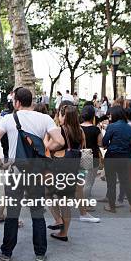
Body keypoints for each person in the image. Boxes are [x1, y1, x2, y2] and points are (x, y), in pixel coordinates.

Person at [0, 87, 64, 261]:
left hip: (15, 170)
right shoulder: (45, 118)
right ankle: (40, 252)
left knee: (13, 212)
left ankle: (7, 251)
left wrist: (1, 164)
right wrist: (44, 151)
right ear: (32, 101)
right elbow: (60, 141)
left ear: (17, 102)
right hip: (36, 171)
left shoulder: (8, 118)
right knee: (37, 211)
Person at [47, 103, 86, 241]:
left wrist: (47, 137)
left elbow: (49, 147)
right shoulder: (80, 131)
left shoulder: (60, 130)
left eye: (59, 114)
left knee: (47, 194)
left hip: (59, 168)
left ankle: (58, 220)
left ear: (64, 116)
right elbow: (82, 147)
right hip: (73, 169)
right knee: (65, 202)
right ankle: (64, 233)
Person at [102, 106, 131, 213]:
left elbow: (104, 142)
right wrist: (124, 142)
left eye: (111, 114)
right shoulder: (129, 127)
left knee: (111, 182)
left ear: (115, 115)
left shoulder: (111, 126)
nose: (110, 116)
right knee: (125, 180)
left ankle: (111, 207)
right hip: (124, 157)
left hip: (111, 157)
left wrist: (111, 143)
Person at [79, 105, 102, 222]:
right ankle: (84, 205)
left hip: (80, 156)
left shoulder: (77, 128)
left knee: (81, 182)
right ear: (93, 116)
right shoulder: (96, 129)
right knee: (88, 182)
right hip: (93, 157)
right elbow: (100, 143)